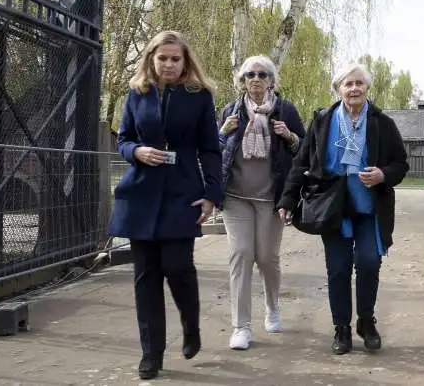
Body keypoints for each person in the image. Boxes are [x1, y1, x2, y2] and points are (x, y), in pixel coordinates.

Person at [109, 30, 222, 380]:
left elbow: (210, 149)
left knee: (177, 267)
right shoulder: (136, 94)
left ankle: (191, 326)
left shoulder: (199, 97)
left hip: (182, 192)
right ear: (151, 60)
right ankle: (151, 354)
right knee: (146, 278)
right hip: (141, 193)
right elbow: (124, 139)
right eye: (163, 58)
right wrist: (136, 151)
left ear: (185, 62)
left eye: (176, 59)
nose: (169, 64)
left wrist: (212, 194)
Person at [276, 63, 409, 355]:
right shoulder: (322, 120)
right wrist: (287, 200)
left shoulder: (381, 123)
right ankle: (342, 328)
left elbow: (401, 163)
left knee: (369, 263)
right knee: (337, 270)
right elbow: (301, 163)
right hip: (332, 207)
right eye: (348, 84)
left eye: (359, 83)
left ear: (367, 88)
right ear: (338, 89)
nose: (354, 89)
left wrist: (383, 175)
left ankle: (365, 321)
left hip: (368, 208)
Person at [217, 55, 305, 350]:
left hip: (271, 198)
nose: (255, 79)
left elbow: (305, 151)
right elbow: (214, 151)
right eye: (250, 74)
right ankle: (241, 326)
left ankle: (272, 306)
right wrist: (222, 133)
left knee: (267, 258)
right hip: (236, 197)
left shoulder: (285, 110)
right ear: (242, 81)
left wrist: (290, 136)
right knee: (241, 254)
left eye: (262, 74)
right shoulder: (231, 111)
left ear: (271, 80)